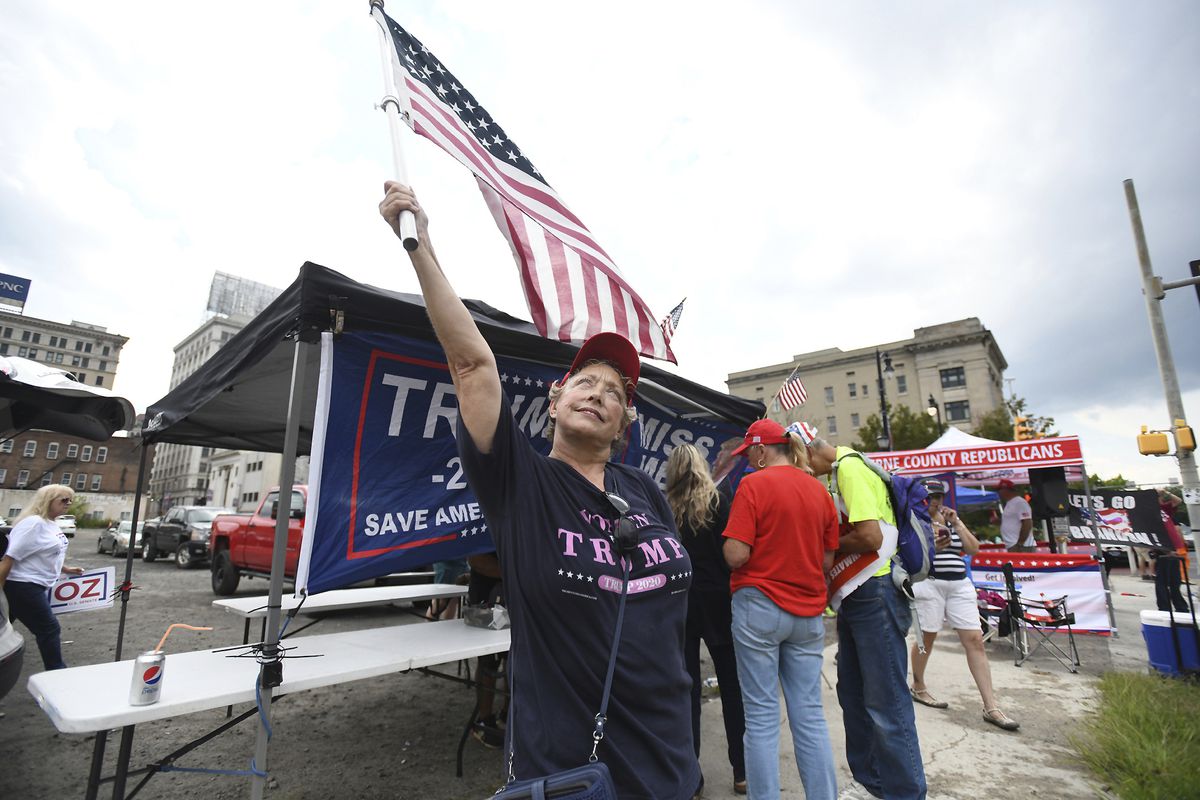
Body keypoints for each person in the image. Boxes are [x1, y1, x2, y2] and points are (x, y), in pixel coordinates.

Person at [379, 183, 700, 799]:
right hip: (571, 772)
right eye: (585, 381)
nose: (599, 393)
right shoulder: (520, 482)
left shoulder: (644, 490)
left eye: (615, 393)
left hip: (670, 763)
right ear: (554, 401)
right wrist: (420, 245)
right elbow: (472, 365)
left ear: (625, 424)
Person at [802, 432, 927, 800]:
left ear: (809, 450)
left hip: (875, 589)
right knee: (854, 693)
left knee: (885, 701)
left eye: (799, 459)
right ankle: (873, 782)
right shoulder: (843, 469)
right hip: (861, 594)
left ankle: (904, 792)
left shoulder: (850, 469)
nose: (802, 469)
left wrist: (824, 543)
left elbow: (870, 537)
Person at [721, 420, 839, 800]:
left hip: (759, 606)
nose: (747, 460)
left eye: (749, 453)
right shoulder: (818, 490)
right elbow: (826, 560)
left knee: (761, 717)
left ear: (761, 450)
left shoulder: (753, 485)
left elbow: (736, 554)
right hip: (808, 612)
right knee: (810, 715)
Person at [665, 443, 747, 797]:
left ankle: (692, 777)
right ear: (701, 465)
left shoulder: (665, 507)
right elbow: (730, 554)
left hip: (680, 601)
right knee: (731, 685)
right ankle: (741, 771)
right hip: (718, 600)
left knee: (687, 690)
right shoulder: (718, 501)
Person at [908, 479, 1019, 732]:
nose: (934, 501)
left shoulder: (951, 521)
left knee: (975, 640)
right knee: (927, 636)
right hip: (930, 582)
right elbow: (911, 556)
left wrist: (957, 524)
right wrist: (932, 547)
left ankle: (991, 706)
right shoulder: (916, 520)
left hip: (959, 584)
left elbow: (973, 548)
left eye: (938, 496)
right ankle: (918, 685)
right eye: (929, 497)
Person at [0, 485, 84, 670]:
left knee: (3, 630)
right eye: (64, 500)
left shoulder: (50, 523)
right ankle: (56, 672)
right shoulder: (33, 523)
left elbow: (46, 552)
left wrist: (65, 568)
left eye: (70, 500)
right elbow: (9, 557)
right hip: (22, 584)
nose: (68, 503)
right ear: (48, 500)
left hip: (34, 585)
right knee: (49, 628)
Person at [1154, 490, 1190, 613]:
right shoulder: (1151, 512)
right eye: (1158, 496)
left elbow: (1178, 500)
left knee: (1175, 580)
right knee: (1163, 581)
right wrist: (1165, 551)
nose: (1160, 498)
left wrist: (1164, 492)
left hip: (1173, 549)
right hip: (1164, 550)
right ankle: (1164, 607)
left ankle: (1180, 606)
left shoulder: (1164, 509)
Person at [997, 479, 1033, 553]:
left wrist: (1020, 543)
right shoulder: (1009, 503)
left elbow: (1027, 523)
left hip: (1022, 546)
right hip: (1014, 545)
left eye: (999, 489)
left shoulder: (1019, 502)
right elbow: (1012, 522)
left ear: (1005, 489)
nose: (998, 492)